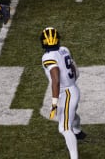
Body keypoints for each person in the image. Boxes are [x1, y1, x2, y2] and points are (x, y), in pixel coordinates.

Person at [40, 27, 86, 159]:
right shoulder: (64, 49)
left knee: (64, 128)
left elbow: (55, 79)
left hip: (66, 93)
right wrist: (72, 83)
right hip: (73, 89)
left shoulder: (47, 57)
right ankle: (78, 131)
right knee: (70, 114)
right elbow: (75, 70)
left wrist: (54, 103)